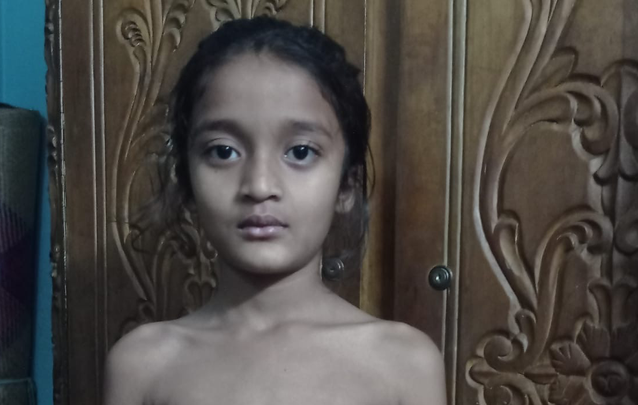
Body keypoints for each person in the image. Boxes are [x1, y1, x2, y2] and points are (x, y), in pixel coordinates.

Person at [104, 17, 447, 405]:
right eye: (223, 151)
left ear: (347, 185)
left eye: (300, 152)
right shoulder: (143, 365)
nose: (260, 185)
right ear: (186, 178)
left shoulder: (404, 365)